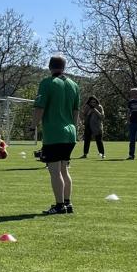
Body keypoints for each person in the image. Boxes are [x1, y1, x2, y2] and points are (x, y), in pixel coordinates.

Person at [31, 54, 82, 215]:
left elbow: (40, 107)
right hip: (70, 133)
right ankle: (67, 203)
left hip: (54, 133)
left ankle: (59, 205)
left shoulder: (47, 83)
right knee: (64, 170)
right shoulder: (74, 85)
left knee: (54, 171)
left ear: (49, 66)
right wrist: (73, 129)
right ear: (64, 67)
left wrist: (33, 126)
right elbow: (76, 111)